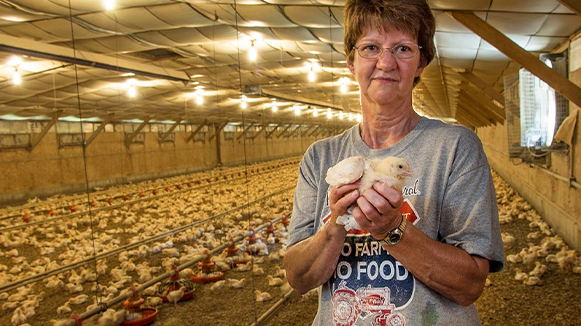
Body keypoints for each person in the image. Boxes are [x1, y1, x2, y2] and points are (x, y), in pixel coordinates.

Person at [283, 0, 505, 325]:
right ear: (351, 62)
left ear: (421, 63)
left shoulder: (455, 148)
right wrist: (336, 225)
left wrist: (391, 228)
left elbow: (470, 284)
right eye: (371, 47)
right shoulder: (320, 157)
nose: (385, 63)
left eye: (402, 49)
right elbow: (299, 278)